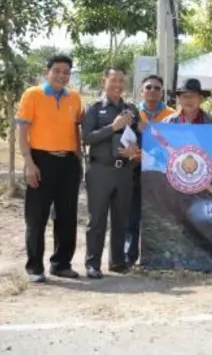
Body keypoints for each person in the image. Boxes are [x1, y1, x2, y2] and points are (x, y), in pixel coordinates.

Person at [14, 54, 84, 283]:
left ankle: (61, 264)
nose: (61, 75)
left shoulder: (74, 97)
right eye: (57, 71)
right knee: (37, 217)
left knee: (67, 216)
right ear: (48, 71)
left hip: (68, 163)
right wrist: (29, 163)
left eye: (66, 72)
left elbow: (76, 129)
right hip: (41, 160)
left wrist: (78, 158)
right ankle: (35, 267)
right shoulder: (32, 95)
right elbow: (22, 131)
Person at [81, 67, 142, 278]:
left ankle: (117, 261)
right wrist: (113, 127)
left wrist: (136, 150)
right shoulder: (95, 109)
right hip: (100, 170)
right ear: (104, 80)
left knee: (121, 218)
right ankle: (92, 263)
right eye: (113, 80)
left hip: (124, 171)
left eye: (121, 81)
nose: (117, 84)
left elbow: (140, 134)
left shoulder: (131, 109)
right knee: (97, 219)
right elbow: (87, 138)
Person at [124, 74, 174, 267]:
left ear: (162, 92)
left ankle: (157, 256)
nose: (152, 91)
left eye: (157, 88)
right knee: (132, 214)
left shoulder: (171, 115)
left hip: (161, 173)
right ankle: (130, 254)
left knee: (160, 214)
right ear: (142, 91)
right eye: (149, 87)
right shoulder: (132, 112)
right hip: (135, 169)